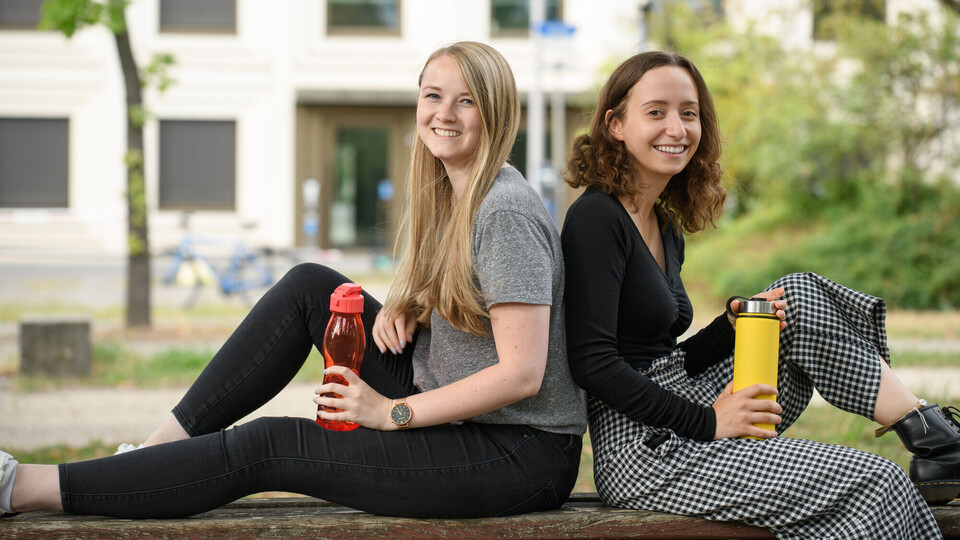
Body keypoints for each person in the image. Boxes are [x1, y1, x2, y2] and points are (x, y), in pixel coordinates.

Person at [0, 41, 586, 520]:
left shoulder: (503, 210)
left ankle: (20, 488)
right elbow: (473, 299)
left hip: (515, 452)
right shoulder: (451, 191)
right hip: (452, 402)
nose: (444, 114)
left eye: (467, 102)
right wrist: (412, 302)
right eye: (433, 96)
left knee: (272, 444)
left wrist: (390, 413)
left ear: (497, 111)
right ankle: (152, 456)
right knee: (313, 286)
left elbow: (522, 373)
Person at [560, 50, 955, 538]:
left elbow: (661, 352)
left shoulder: (661, 222)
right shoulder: (597, 219)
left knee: (795, 296)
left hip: (681, 409)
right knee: (877, 481)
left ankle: (934, 437)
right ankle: (940, 444)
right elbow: (593, 363)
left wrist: (727, 331)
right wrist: (708, 422)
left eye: (689, 113)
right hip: (643, 452)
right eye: (656, 112)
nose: (677, 128)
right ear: (616, 124)